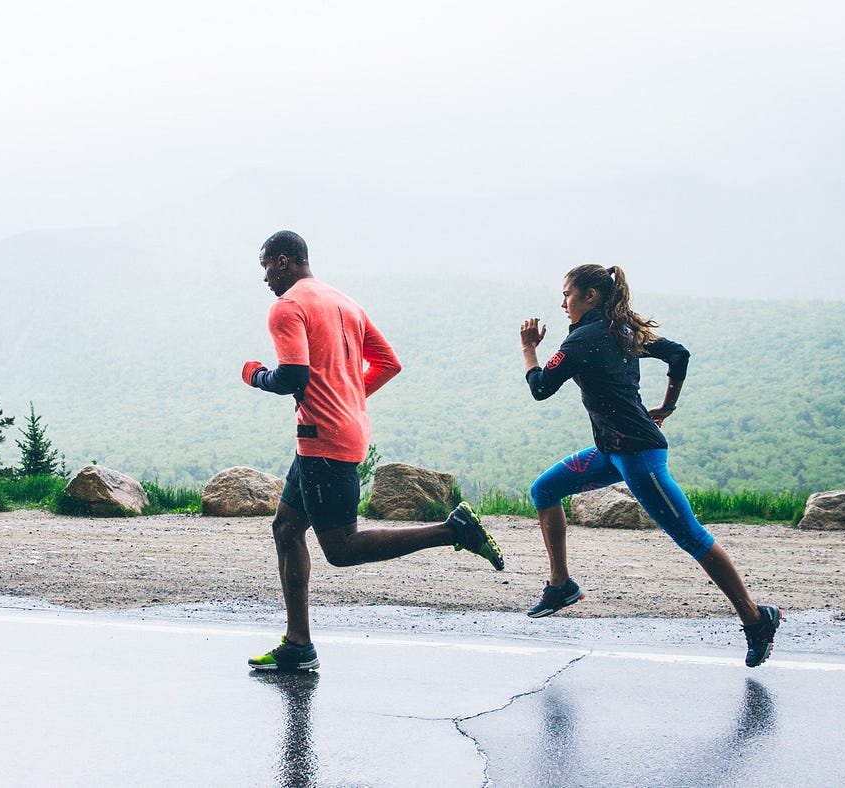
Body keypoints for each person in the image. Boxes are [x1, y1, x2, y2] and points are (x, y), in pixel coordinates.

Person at [242, 230, 504, 672]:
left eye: (266, 265)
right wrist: (348, 395)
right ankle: (298, 644)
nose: (264, 276)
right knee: (286, 527)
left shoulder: (287, 307)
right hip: (337, 431)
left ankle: (452, 530)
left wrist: (254, 375)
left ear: (284, 261)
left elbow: (291, 378)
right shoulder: (344, 302)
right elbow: (389, 363)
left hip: (324, 439)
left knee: (342, 548)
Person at [518, 263, 781, 668]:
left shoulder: (584, 339)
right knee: (544, 490)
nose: (562, 302)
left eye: (567, 294)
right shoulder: (622, 330)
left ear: (591, 295)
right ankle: (560, 585)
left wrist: (528, 347)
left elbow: (539, 389)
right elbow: (678, 354)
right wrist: (667, 407)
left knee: (691, 536)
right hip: (611, 451)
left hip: (639, 455)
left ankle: (755, 617)